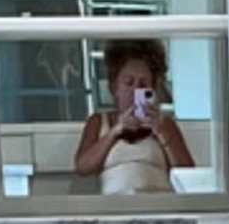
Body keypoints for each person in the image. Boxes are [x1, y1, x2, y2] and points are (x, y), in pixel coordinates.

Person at [75, 37, 198, 195]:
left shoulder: (165, 124)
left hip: (159, 203)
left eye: (143, 84)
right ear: (114, 87)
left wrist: (161, 132)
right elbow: (83, 167)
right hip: (116, 204)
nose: (135, 90)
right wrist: (115, 131)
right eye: (129, 82)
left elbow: (187, 173)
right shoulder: (98, 122)